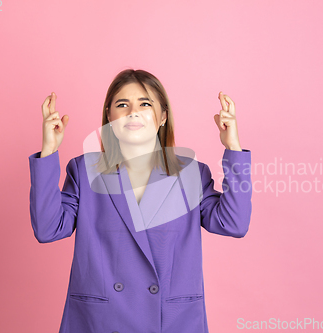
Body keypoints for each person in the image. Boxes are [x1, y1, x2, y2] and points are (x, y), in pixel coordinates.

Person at [28, 69, 252, 333]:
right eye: (122, 104)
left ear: (162, 117)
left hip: (171, 321)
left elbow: (233, 223)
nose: (133, 112)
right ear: (109, 117)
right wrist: (49, 152)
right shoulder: (84, 170)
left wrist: (233, 148)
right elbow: (48, 229)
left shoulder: (191, 174)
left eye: (145, 104)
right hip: (100, 321)